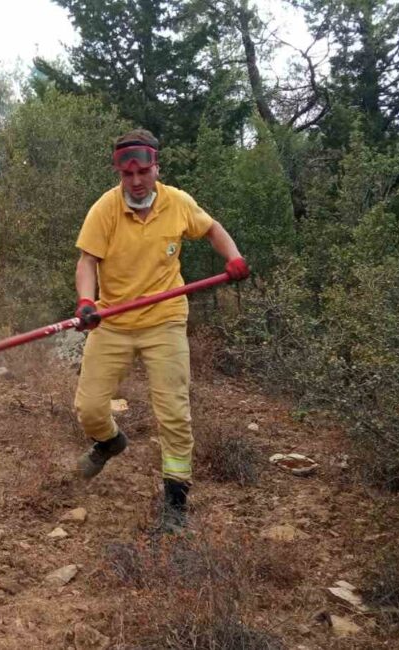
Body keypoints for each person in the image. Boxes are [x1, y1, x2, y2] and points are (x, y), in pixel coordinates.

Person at [72, 128, 249, 533]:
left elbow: (212, 230)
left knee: (173, 412)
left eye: (143, 172)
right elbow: (87, 262)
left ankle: (175, 502)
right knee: (90, 409)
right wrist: (87, 302)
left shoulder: (178, 203)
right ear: (119, 174)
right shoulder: (105, 209)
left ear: (156, 168)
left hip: (165, 319)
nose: (135, 182)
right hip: (113, 320)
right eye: (127, 175)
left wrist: (234, 257)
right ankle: (109, 442)